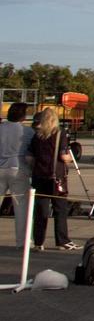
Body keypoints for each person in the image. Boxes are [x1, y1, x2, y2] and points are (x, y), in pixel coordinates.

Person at [28, 107, 77, 251]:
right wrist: (69, 158)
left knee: (40, 211)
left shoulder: (37, 135)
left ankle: (38, 241)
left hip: (39, 175)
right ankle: (62, 240)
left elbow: (29, 157)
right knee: (60, 209)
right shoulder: (59, 134)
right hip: (56, 176)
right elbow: (63, 156)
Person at [1, 102, 34, 247]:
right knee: (21, 207)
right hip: (18, 168)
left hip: (0, 167)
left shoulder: (1, 128)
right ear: (23, 116)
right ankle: (23, 241)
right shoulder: (27, 132)